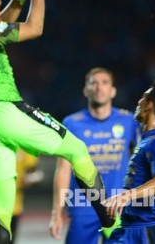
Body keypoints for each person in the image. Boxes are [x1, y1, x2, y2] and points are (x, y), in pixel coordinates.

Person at [0, 0, 120, 242]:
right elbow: (34, 28)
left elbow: (0, 24)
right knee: (76, 149)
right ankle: (112, 224)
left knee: (2, 205)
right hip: (5, 109)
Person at [49, 67, 140, 243]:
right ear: (86, 90)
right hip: (82, 207)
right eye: (94, 83)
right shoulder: (71, 123)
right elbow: (63, 170)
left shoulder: (129, 121)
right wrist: (57, 212)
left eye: (105, 83)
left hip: (118, 206)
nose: (99, 87)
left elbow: (140, 164)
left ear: (113, 91)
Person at [102, 78, 155, 244]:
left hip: (145, 232)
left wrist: (126, 196)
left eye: (143, 98)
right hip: (130, 228)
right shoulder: (149, 140)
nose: (138, 103)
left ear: (149, 104)